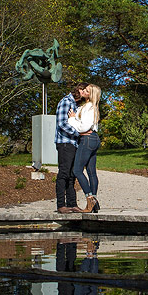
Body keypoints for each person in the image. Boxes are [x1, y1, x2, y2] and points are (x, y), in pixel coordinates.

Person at [54, 83, 89, 213]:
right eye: (85, 91)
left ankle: (72, 204)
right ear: (79, 90)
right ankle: (60, 205)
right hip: (65, 143)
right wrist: (77, 133)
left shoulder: (75, 105)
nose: (87, 94)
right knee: (63, 173)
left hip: (73, 143)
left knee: (72, 175)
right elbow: (62, 123)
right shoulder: (66, 101)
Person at [67, 83, 102, 213]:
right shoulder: (90, 107)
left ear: (91, 94)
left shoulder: (89, 108)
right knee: (91, 171)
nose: (84, 92)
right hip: (93, 139)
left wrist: (71, 119)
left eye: (87, 91)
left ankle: (90, 198)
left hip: (87, 139)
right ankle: (94, 203)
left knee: (77, 170)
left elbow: (83, 128)